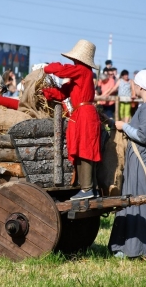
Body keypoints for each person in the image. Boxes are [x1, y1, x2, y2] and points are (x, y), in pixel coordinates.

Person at [42, 39, 101, 200]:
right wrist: (45, 93)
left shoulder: (82, 70)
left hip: (85, 114)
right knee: (83, 149)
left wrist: (45, 68)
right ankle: (90, 188)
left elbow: (60, 70)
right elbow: (62, 93)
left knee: (85, 150)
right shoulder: (80, 75)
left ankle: (87, 188)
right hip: (82, 114)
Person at [108, 70, 146, 258]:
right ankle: (127, 246)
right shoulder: (143, 106)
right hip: (136, 163)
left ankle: (135, 248)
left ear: (140, 86)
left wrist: (124, 127)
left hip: (141, 164)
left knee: (137, 201)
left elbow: (143, 136)